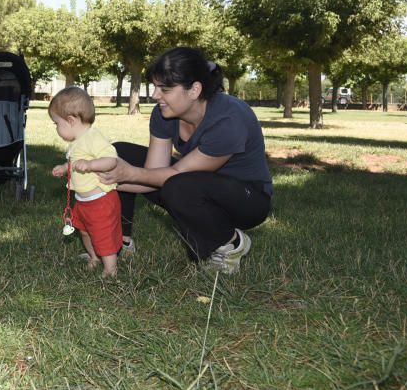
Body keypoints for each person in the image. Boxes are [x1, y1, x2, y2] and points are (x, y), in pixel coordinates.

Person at [98, 47, 272, 274]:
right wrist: (104, 178)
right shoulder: (164, 113)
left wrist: (126, 174)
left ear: (194, 90)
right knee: (119, 155)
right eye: (155, 87)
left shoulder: (229, 118)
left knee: (178, 186)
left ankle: (231, 242)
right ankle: (119, 244)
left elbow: (175, 175)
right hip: (192, 184)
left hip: (248, 199)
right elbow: (153, 174)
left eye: (165, 89)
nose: (155, 96)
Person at [49, 86, 122, 277]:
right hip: (83, 201)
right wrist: (65, 168)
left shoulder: (93, 137)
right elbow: (75, 162)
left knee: (102, 234)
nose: (56, 128)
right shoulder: (77, 143)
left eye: (57, 123)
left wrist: (90, 164)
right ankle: (94, 257)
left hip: (100, 199)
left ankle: (110, 269)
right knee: (84, 230)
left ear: (71, 120)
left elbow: (111, 160)